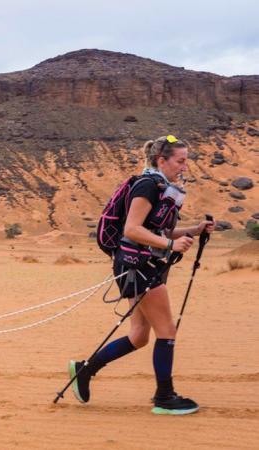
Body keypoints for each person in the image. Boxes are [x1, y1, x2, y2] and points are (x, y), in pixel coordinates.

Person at [69, 135, 214, 415]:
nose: (185, 166)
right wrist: (171, 245)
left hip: (140, 264)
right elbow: (132, 230)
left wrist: (193, 231)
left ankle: (84, 370)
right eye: (180, 161)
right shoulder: (148, 185)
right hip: (137, 266)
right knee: (166, 331)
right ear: (162, 160)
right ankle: (164, 397)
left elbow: (158, 232)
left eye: (186, 160)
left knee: (138, 336)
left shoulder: (162, 187)